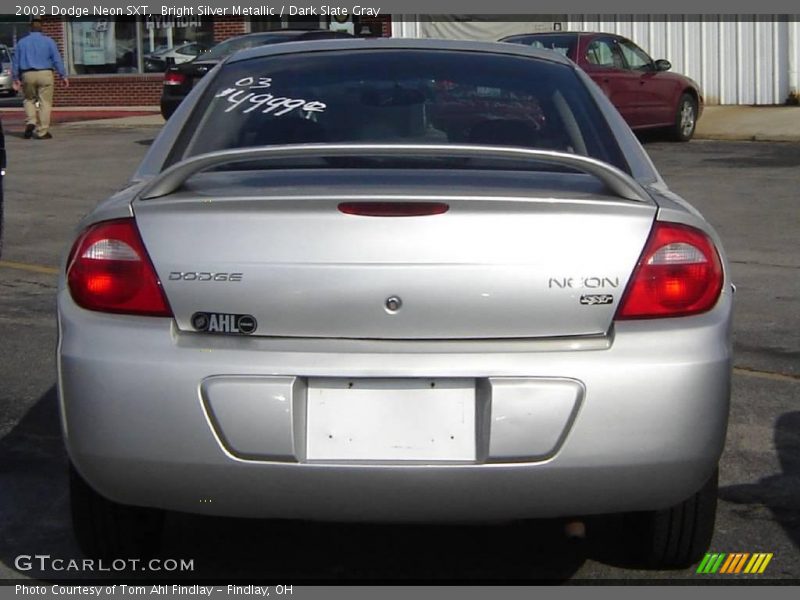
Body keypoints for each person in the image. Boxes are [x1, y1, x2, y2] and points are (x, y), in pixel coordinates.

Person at [11, 18, 69, 140]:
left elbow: (15, 62)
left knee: (28, 100)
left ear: (29, 28)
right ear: (41, 28)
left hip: (27, 74)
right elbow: (57, 60)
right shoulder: (49, 41)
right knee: (45, 102)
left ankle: (31, 122)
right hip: (45, 73)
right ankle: (42, 131)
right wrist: (62, 75)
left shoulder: (22, 43)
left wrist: (15, 77)